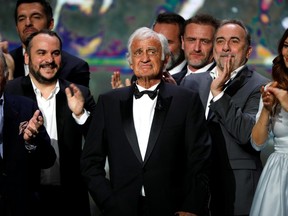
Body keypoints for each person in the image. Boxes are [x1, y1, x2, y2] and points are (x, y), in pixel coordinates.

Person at [81, 27, 212, 216]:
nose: (144, 58)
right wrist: (109, 203)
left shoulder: (186, 100)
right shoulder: (109, 102)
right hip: (122, 209)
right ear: (131, 61)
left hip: (173, 209)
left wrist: (191, 206)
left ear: (165, 59)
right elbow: (90, 162)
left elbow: (200, 160)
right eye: (138, 52)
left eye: (152, 52)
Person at [181, 19, 270, 215]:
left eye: (234, 41)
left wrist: (219, 94)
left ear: (247, 52)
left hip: (237, 188)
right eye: (220, 41)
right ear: (214, 48)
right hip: (194, 190)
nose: (226, 47)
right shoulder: (191, 82)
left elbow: (247, 135)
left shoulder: (260, 86)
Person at [5, 29, 96, 216]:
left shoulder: (79, 93)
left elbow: (98, 143)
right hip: (21, 200)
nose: (49, 59)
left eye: (55, 53)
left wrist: (80, 115)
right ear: (27, 58)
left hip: (69, 201)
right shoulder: (9, 92)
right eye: (41, 53)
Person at [0, 49, 56, 216]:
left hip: (22, 206)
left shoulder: (26, 108)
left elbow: (48, 159)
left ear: (5, 75)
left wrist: (31, 141)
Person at [1, 0, 90, 87]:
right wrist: (9, 75)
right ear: (17, 27)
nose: (28, 23)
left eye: (36, 17)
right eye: (21, 19)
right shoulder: (4, 63)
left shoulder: (75, 68)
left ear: (50, 24)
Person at [249, 28, 288, 216]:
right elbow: (257, 143)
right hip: (278, 175)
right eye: (286, 46)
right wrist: (266, 108)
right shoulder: (272, 88)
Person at [111, 12, 186, 88]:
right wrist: (125, 97)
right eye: (157, 42)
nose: (161, 48)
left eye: (167, 42)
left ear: (183, 42)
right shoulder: (137, 78)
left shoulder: (193, 79)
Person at [179, 14, 219, 90]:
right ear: (183, 42)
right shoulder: (170, 81)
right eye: (191, 40)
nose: (197, 48)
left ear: (216, 45)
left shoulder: (224, 83)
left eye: (204, 41)